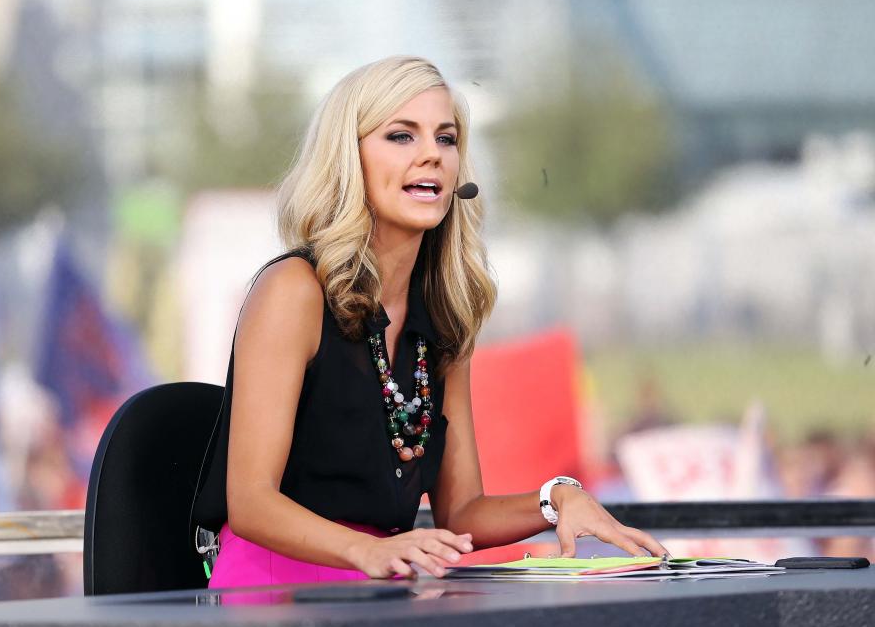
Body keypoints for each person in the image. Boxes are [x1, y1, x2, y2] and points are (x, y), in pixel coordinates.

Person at [195, 56, 666, 588]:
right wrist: (366, 551)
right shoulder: (293, 292)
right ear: (348, 161)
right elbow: (251, 502)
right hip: (275, 592)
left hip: (380, 589)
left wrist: (556, 500)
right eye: (401, 136)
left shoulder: (444, 315)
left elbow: (461, 511)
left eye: (446, 139)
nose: (432, 156)